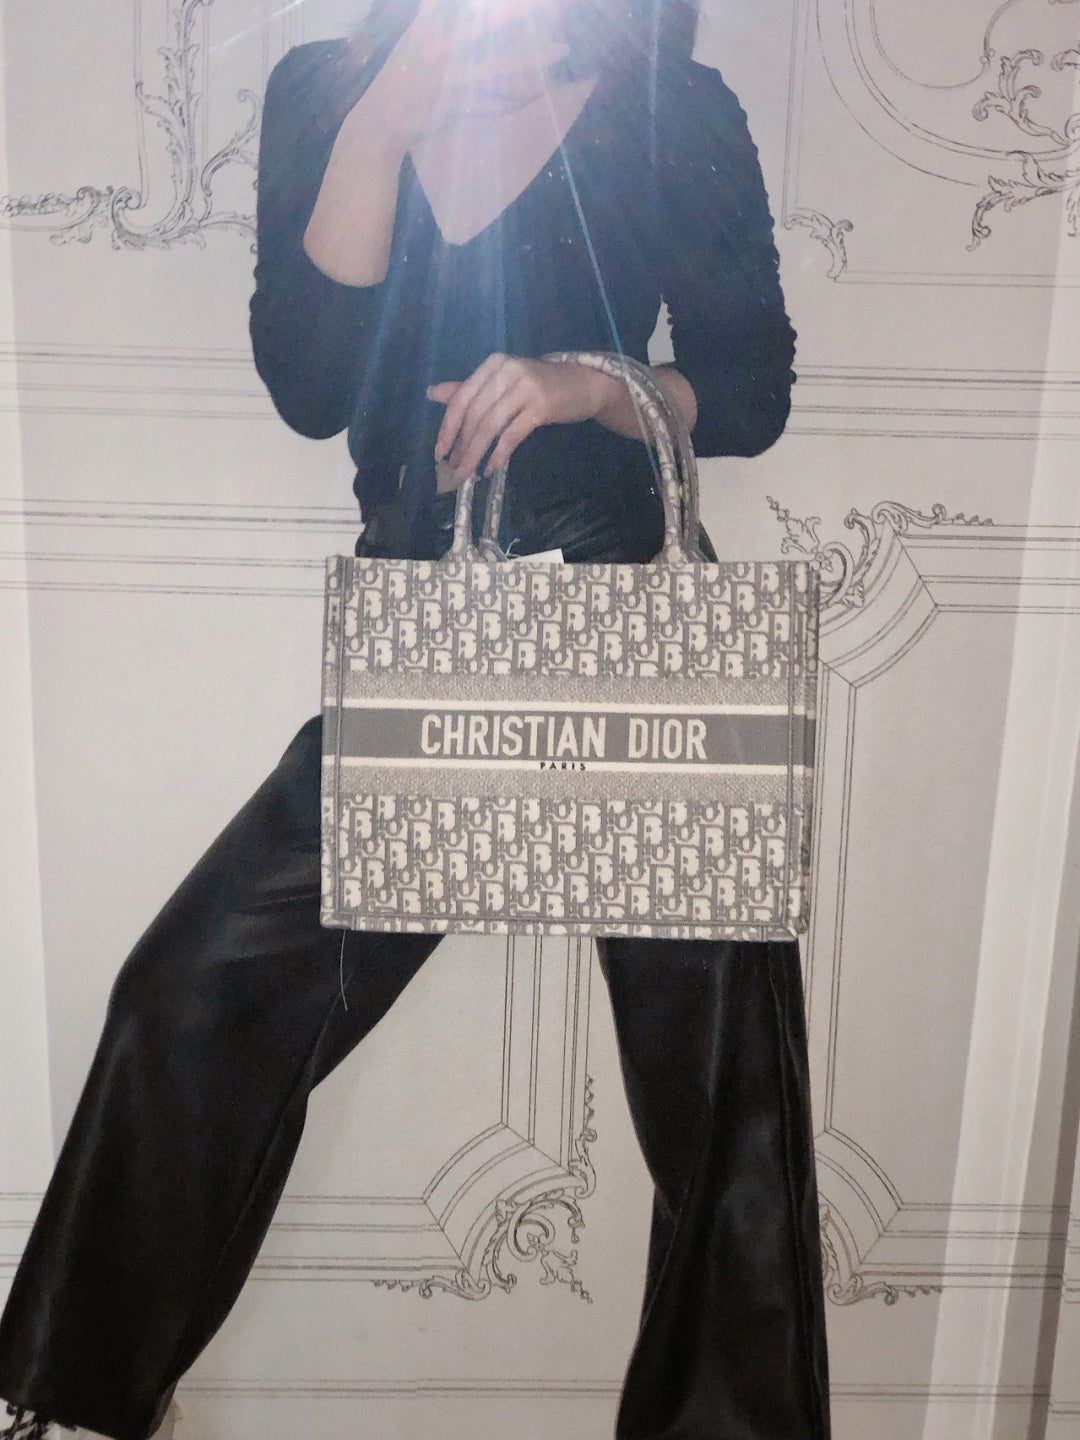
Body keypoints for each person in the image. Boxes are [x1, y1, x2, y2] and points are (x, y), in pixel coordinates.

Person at [0, 1, 831, 1436]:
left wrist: (592, 384)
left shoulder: (667, 104)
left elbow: (750, 389)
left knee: (730, 1096)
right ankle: (68, 1403)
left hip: (634, 637)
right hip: (429, 638)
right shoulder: (328, 90)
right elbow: (311, 385)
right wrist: (386, 115)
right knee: (189, 994)